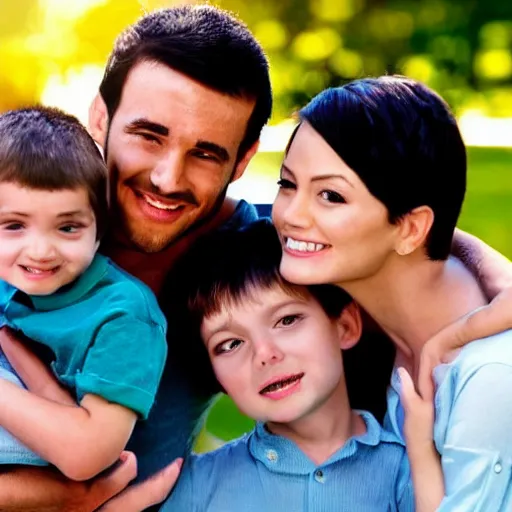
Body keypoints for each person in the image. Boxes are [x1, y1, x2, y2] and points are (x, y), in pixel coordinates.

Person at [1, 5, 512, 511]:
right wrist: (53, 496)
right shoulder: (19, 219)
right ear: (101, 116)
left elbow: (396, 228)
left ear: (243, 160)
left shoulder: (261, 257)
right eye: (148, 136)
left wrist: (495, 272)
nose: (167, 179)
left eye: (205, 153)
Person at [271, 75, 512, 510]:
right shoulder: (355, 315)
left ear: (411, 227)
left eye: (330, 195)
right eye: (287, 184)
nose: (291, 214)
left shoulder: (488, 375)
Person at [160, 219, 415, 511]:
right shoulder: (196, 489)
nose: (264, 354)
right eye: (230, 344)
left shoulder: (407, 471)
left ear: (345, 326)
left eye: (286, 320)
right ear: (216, 375)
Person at [0, 106, 167, 480]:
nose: (40, 250)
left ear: (99, 227)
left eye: (68, 228)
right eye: (14, 225)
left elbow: (86, 455)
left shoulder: (123, 315)